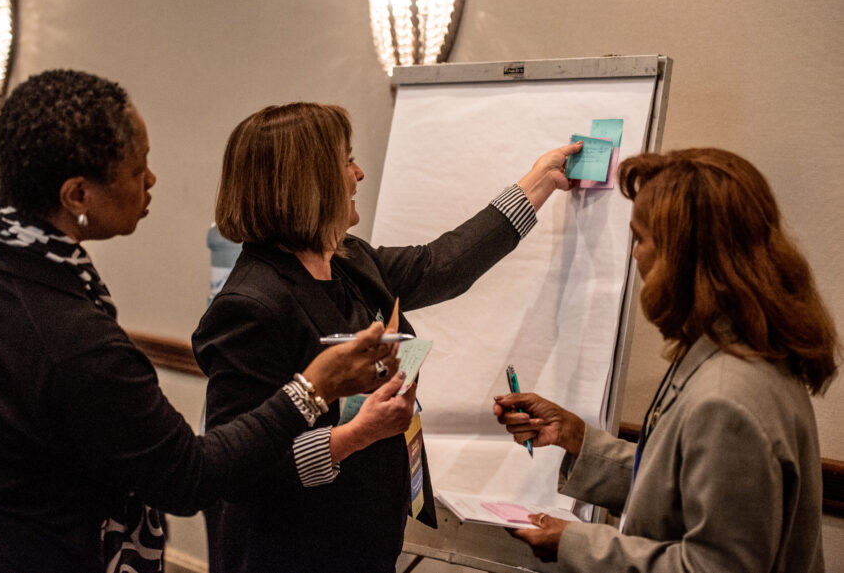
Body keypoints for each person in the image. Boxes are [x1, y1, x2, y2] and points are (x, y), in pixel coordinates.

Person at [0, 70, 402, 573]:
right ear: (77, 195)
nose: (152, 179)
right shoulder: (75, 340)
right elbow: (189, 477)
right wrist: (314, 387)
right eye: (137, 167)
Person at [191, 101, 583, 572]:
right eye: (345, 161)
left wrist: (539, 182)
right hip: (290, 555)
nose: (358, 173)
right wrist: (356, 434)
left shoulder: (349, 261)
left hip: (363, 545)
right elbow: (236, 471)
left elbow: (444, 265)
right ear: (306, 182)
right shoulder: (249, 306)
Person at [493, 148, 839, 572]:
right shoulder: (738, 349)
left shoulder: (727, 399)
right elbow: (680, 490)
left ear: (685, 255)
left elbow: (714, 567)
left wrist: (577, 543)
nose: (635, 254)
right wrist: (577, 437)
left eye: (641, 238)